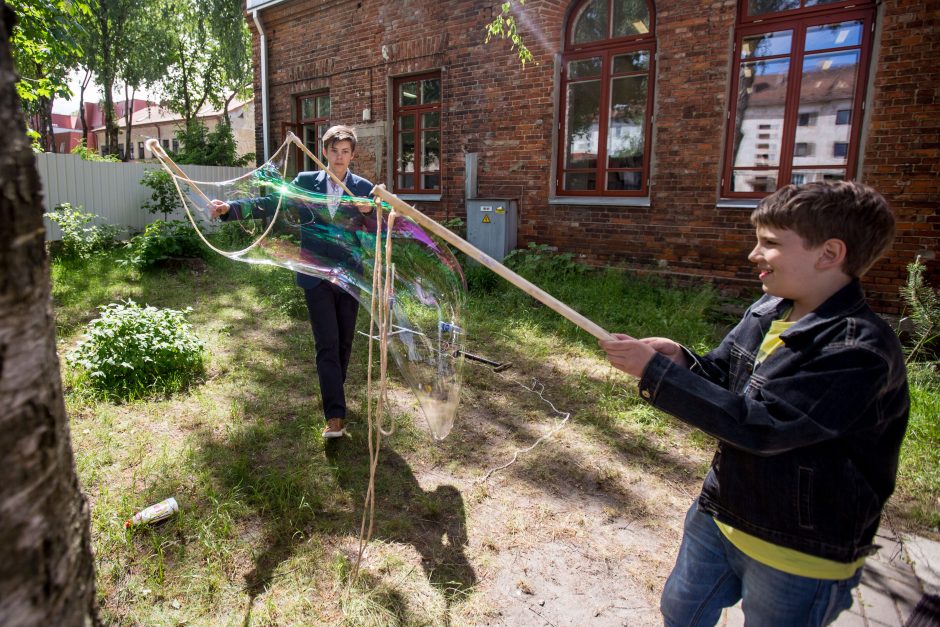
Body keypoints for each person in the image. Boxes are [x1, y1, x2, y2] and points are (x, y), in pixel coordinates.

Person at [600, 181, 909, 626]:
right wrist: (681, 361)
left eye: (769, 243)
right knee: (681, 610)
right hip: (724, 512)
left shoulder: (857, 350)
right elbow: (725, 380)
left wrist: (656, 375)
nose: (753, 254)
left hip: (800, 549)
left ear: (829, 253)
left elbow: (763, 427)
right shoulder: (769, 310)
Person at [209, 125, 375, 439]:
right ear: (324, 152)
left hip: (349, 276)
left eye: (345, 152)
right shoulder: (305, 182)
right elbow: (272, 204)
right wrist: (232, 209)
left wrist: (369, 212)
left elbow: (377, 227)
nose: (339, 158)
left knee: (343, 344)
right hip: (314, 275)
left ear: (352, 155)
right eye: (334, 151)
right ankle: (335, 416)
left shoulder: (363, 188)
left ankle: (333, 391)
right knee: (327, 343)